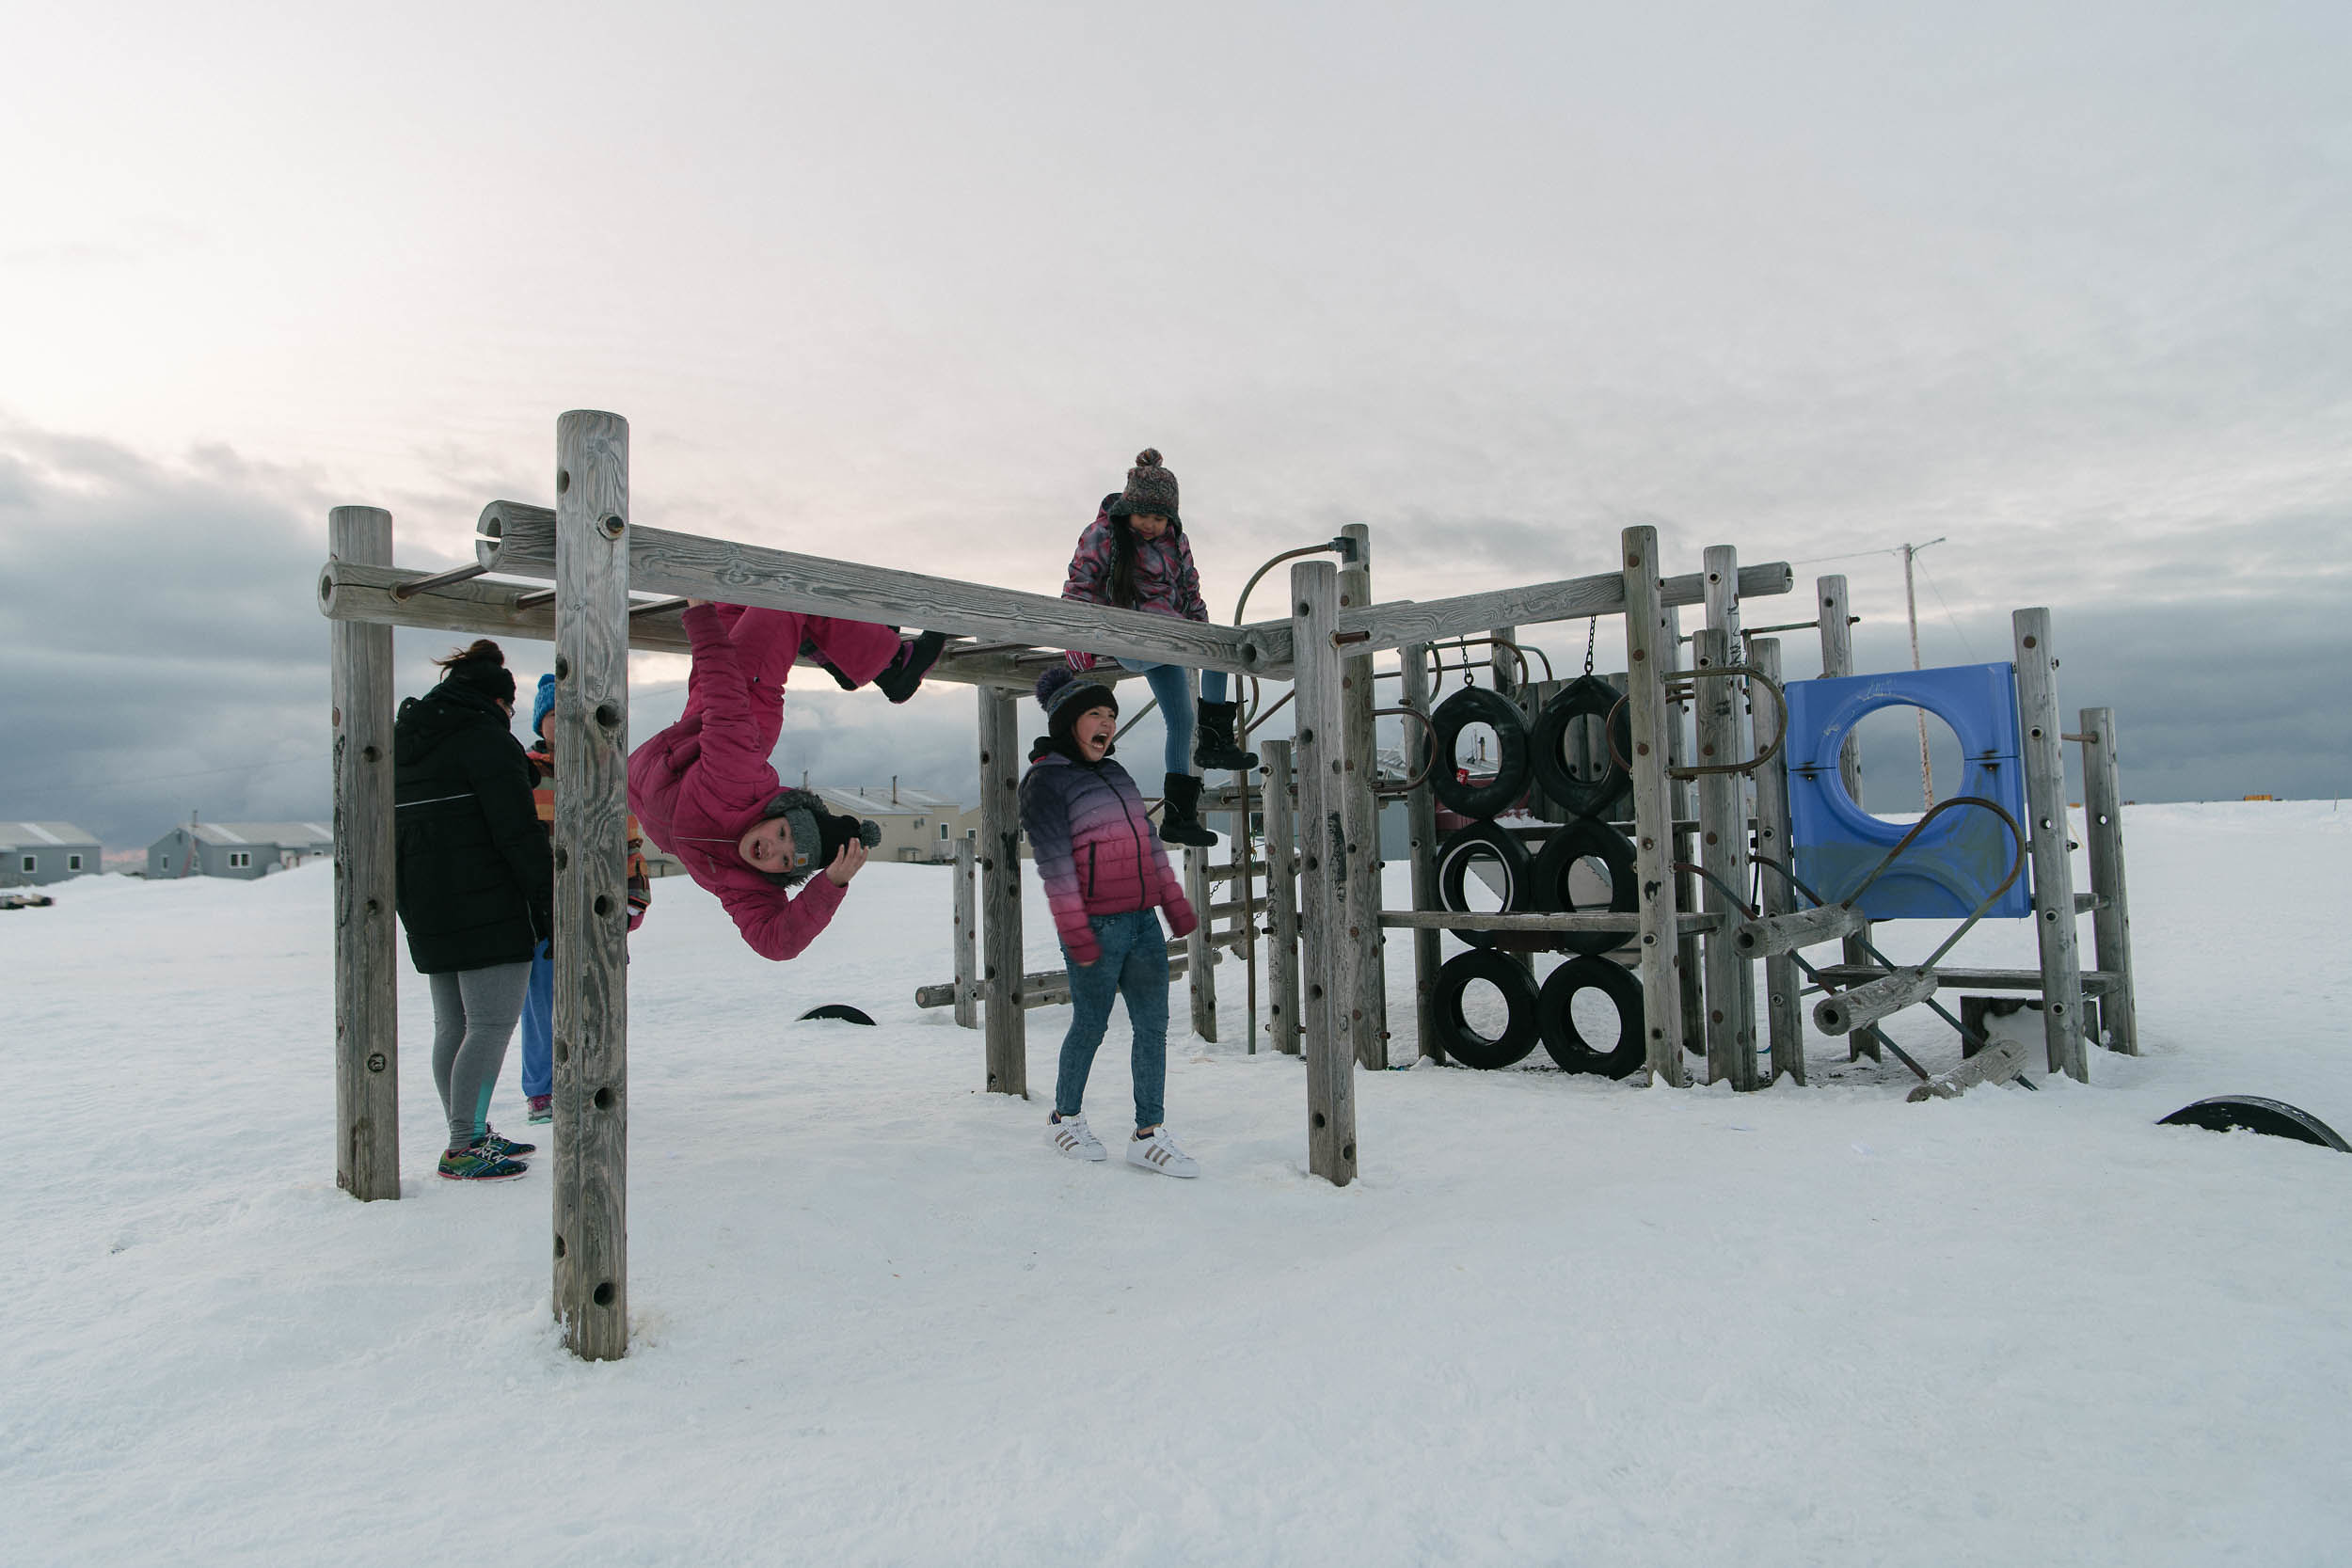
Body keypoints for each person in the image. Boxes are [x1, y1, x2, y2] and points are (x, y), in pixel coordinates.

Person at [627, 601, 943, 958]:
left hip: (697, 732)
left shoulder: (745, 883)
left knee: (730, 599)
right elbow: (724, 691)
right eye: (782, 834)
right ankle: (892, 666)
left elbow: (776, 943)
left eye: (786, 861)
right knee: (781, 599)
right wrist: (698, 619)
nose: (773, 850)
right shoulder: (737, 779)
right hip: (745, 695)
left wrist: (830, 884)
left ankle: (842, 652)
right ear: (775, 814)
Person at [1019, 663, 1201, 1178]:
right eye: (1095, 714)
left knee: (1154, 1027)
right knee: (1091, 1024)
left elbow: (1147, 844)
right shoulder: (1045, 781)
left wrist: (1172, 902)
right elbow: (1054, 865)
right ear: (1068, 722)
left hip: (1143, 922)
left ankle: (1148, 1133)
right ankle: (1064, 1117)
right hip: (1095, 926)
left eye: (1111, 716)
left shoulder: (1116, 774)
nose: (1106, 724)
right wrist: (1075, 929)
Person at [391, 640, 549, 1181]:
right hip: (488, 905)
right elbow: (515, 831)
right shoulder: (486, 739)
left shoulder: (411, 738)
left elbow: (458, 794)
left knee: (453, 1024)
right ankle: (465, 1142)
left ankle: (470, 1129)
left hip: (425, 905)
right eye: (510, 710)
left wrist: (516, 769)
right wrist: (547, 900)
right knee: (488, 1025)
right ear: (498, 701)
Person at [1060, 448, 1256, 849]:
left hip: (1171, 637)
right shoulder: (1104, 535)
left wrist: (1202, 630)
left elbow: (1190, 592)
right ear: (1128, 508)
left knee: (1188, 709)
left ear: (1171, 517)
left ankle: (1182, 813)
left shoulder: (1176, 542)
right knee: (1205, 654)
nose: (1150, 525)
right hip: (1128, 635)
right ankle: (1214, 741)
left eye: (1159, 517)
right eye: (1143, 516)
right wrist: (1078, 638)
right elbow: (1079, 586)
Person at [515, 673, 652, 1125]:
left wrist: (635, 893)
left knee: (601, 996)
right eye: (553, 715)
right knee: (542, 1002)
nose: (562, 723)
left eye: (569, 714)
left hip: (597, 903)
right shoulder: (525, 771)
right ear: (541, 723)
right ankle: (542, 1090)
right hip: (541, 911)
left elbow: (629, 838)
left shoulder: (605, 770)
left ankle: (599, 1076)